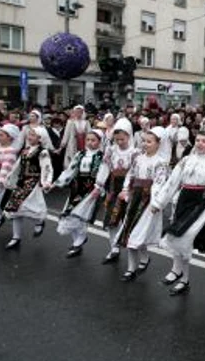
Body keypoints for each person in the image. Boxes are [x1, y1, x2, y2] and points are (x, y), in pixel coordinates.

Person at [150, 130, 205, 296]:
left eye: (204, 141)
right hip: (184, 200)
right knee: (177, 236)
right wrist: (158, 203)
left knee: (185, 237)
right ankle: (182, 277)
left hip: (200, 203)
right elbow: (172, 182)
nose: (200, 143)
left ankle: (178, 272)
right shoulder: (186, 160)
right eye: (198, 140)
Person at [115, 127, 170, 282]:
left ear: (159, 143)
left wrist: (155, 203)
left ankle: (137, 265)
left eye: (150, 141)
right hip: (135, 197)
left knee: (137, 233)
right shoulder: (138, 158)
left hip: (148, 200)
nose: (145, 144)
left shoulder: (161, 163)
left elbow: (160, 184)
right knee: (130, 231)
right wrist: (125, 190)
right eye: (144, 141)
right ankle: (133, 266)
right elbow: (130, 174)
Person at [54, 130, 105, 258]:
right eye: (88, 140)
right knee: (70, 214)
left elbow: (103, 173)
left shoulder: (102, 156)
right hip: (77, 188)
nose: (90, 142)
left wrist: (99, 188)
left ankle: (79, 241)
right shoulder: (80, 154)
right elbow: (71, 169)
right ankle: (77, 241)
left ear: (100, 142)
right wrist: (57, 183)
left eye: (93, 140)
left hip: (90, 189)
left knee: (80, 215)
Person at [1, 127, 54, 250]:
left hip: (33, 183)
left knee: (30, 206)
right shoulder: (25, 150)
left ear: (40, 138)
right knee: (14, 209)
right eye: (29, 135)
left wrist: (46, 181)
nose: (29, 137)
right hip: (21, 182)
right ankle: (16, 237)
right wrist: (9, 178)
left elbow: (46, 167)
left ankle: (39, 221)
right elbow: (17, 166)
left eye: (33, 135)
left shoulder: (43, 152)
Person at [96, 118, 139, 264]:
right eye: (117, 139)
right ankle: (114, 248)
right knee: (111, 219)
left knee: (129, 219)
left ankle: (134, 253)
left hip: (129, 189)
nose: (119, 142)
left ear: (129, 135)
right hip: (113, 187)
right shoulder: (111, 150)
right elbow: (105, 167)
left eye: (122, 139)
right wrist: (99, 185)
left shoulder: (135, 152)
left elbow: (136, 173)